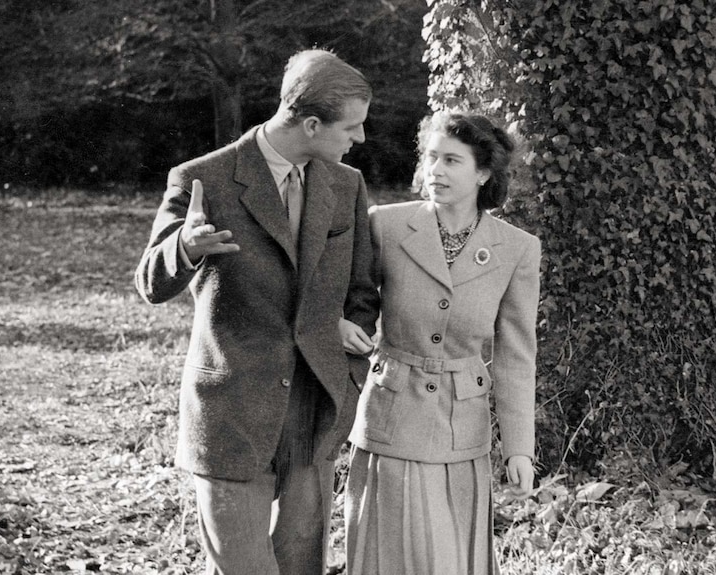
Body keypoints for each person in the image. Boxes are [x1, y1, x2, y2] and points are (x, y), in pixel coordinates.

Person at [134, 49, 380, 575]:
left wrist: (349, 353)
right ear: (312, 124)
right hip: (232, 416)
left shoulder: (345, 185)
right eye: (352, 127)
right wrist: (187, 248)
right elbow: (150, 283)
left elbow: (361, 292)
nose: (359, 139)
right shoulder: (203, 179)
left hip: (315, 415)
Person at [340, 110, 541, 575]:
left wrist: (518, 448)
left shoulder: (517, 249)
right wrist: (341, 325)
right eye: (431, 158)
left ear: (483, 173)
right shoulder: (385, 225)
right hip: (390, 418)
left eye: (452, 160)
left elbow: (516, 355)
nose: (435, 171)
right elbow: (354, 304)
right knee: (387, 556)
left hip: (460, 430)